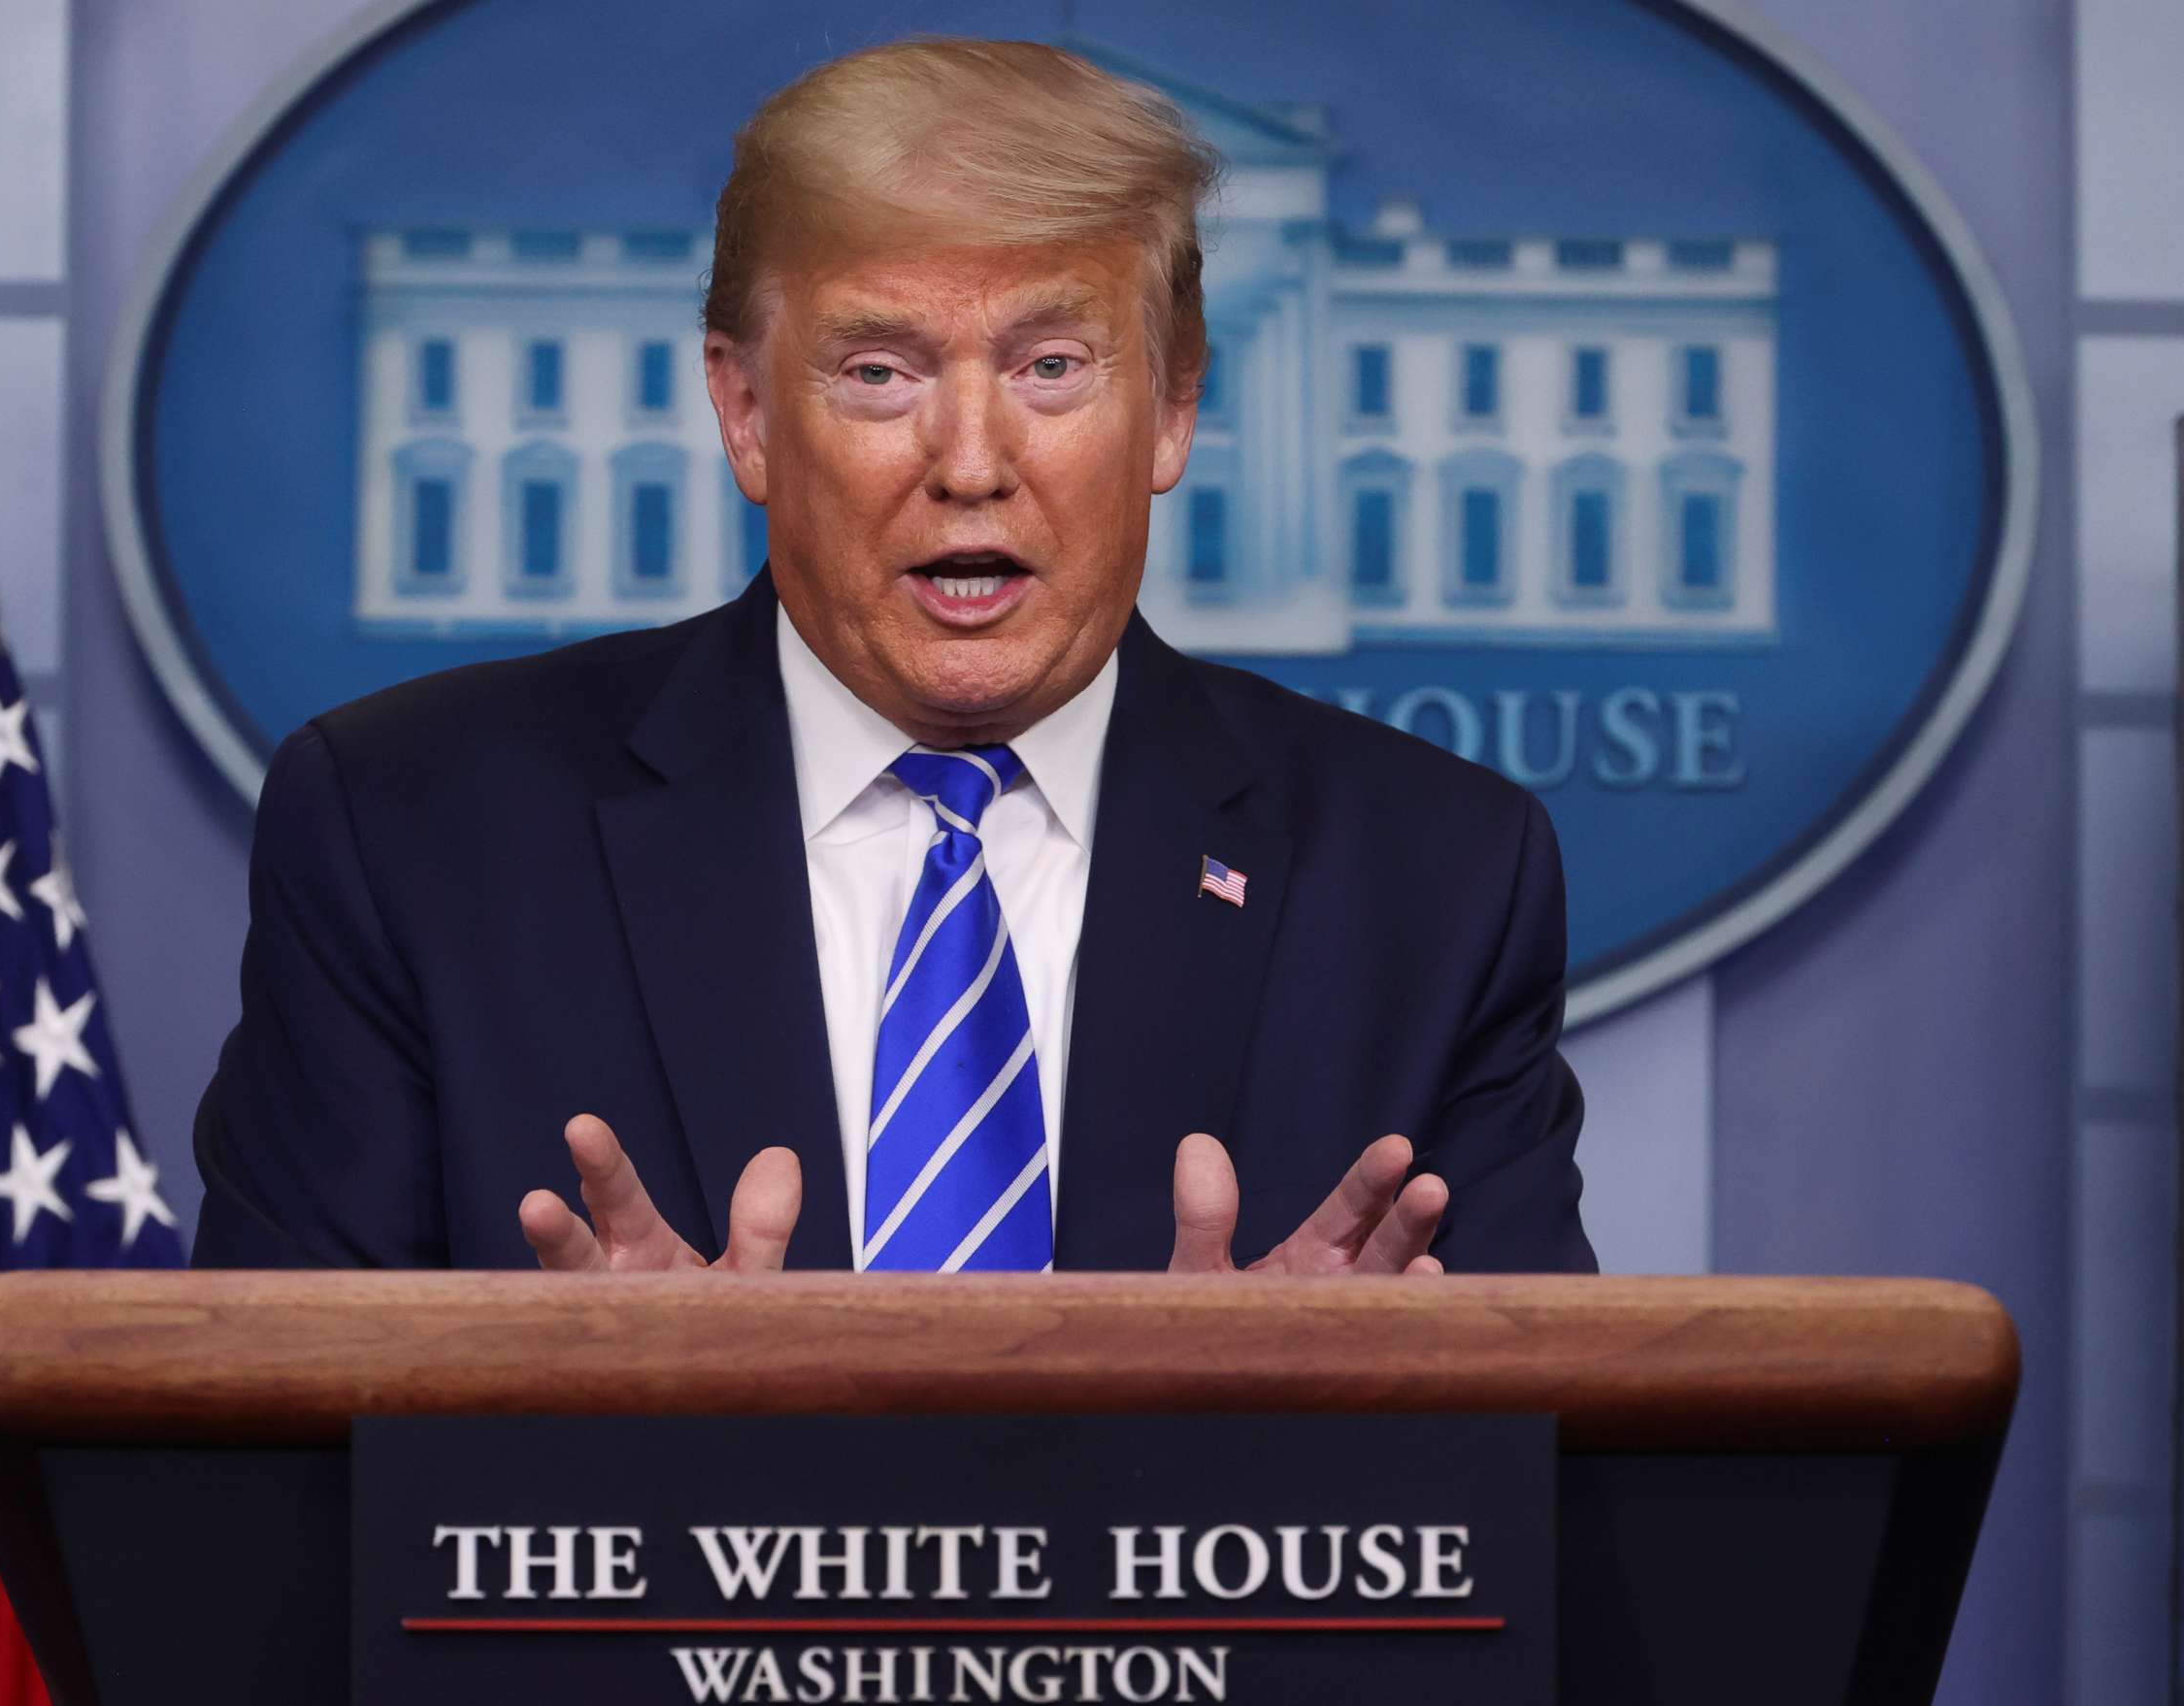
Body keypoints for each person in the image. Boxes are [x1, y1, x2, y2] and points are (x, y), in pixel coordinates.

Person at [189, 38, 1595, 1277]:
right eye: (880, 371)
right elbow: (260, 1490)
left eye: (1054, 364)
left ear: (1171, 407)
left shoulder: (1437, 882)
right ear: (743, 411)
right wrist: (587, 1434)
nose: (971, 463)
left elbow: (1551, 1513)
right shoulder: (412, 837)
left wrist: (1341, 1431)